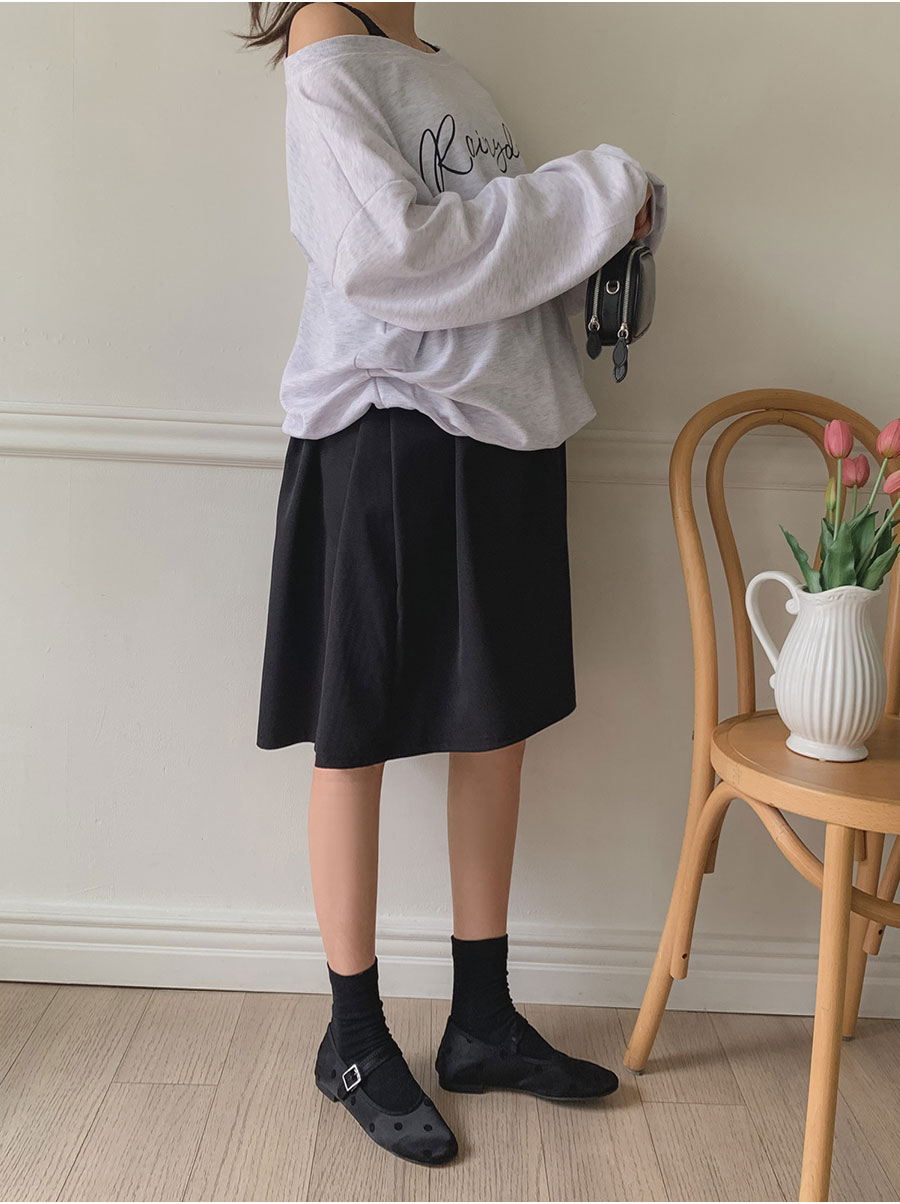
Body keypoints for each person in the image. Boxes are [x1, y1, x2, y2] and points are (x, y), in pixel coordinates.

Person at [238, 0, 666, 1166]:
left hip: (505, 429)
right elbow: (394, 253)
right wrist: (596, 191)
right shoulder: (325, 42)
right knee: (357, 733)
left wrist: (602, 230)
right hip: (387, 426)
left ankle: (482, 1020)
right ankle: (353, 1037)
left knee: (495, 727)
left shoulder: (446, 72)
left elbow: (493, 261)